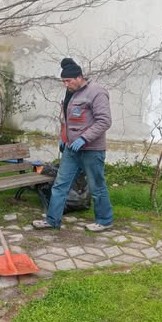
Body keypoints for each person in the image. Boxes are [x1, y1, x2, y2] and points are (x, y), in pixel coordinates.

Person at [33, 58, 113, 232]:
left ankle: (104, 220)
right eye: (63, 81)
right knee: (60, 184)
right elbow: (67, 121)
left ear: (79, 77)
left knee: (96, 186)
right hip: (71, 149)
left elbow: (104, 120)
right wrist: (64, 138)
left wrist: (84, 138)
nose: (65, 84)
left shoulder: (97, 92)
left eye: (68, 81)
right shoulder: (70, 93)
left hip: (92, 150)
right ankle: (52, 220)